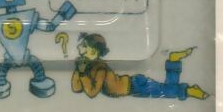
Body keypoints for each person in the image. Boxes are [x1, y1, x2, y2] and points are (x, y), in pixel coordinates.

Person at [71, 33, 209, 100]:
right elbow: (76, 88)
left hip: (136, 85)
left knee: (166, 92)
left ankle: (189, 90)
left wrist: (82, 73)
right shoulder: (88, 66)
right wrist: (78, 69)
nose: (79, 47)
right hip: (132, 88)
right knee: (166, 90)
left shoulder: (100, 68)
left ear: (93, 51)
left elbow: (92, 93)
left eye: (84, 46)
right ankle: (173, 61)